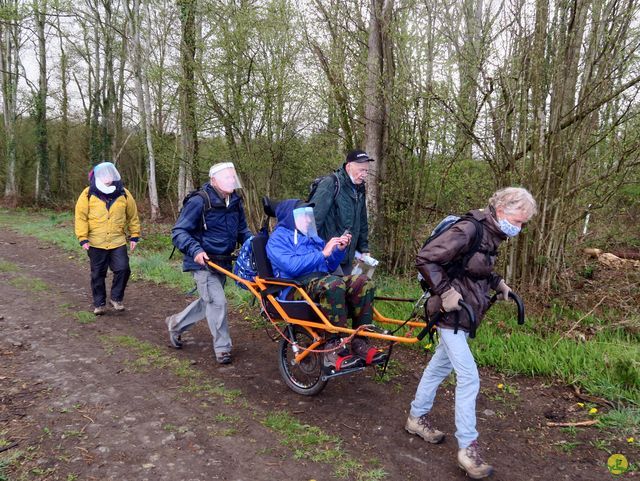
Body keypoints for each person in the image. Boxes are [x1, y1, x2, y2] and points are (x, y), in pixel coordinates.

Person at [405, 187, 537, 479]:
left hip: (466, 312)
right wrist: (444, 291)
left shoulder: (491, 234)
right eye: (518, 220)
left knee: (439, 367)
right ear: (501, 209)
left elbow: (472, 268)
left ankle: (416, 417)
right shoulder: (468, 229)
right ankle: (468, 448)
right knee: (469, 377)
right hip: (450, 311)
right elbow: (426, 258)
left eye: (523, 223)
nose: (519, 227)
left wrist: (499, 284)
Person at [266, 199, 385, 369]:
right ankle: (333, 349)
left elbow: (328, 265)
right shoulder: (277, 240)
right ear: (290, 218)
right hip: (295, 287)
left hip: (321, 281)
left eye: (309, 215)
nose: (308, 219)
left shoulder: (311, 237)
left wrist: (338, 250)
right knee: (333, 284)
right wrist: (323, 253)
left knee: (363, 282)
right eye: (303, 216)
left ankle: (360, 342)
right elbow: (292, 267)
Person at [166, 162, 252, 365]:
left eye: (233, 177)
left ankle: (175, 324)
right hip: (203, 262)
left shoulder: (235, 202)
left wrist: (254, 244)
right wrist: (196, 251)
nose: (232, 180)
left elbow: (242, 231)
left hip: (223, 262)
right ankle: (223, 348)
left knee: (209, 302)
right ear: (214, 180)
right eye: (227, 177)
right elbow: (178, 232)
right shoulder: (199, 201)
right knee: (218, 302)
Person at [74, 162, 141, 315]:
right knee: (98, 273)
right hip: (95, 242)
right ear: (97, 176)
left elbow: (132, 216)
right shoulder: (88, 193)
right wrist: (83, 238)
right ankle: (99, 304)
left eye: (110, 174)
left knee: (123, 269)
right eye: (103, 174)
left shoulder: (124, 193)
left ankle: (116, 298)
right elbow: (81, 217)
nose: (107, 177)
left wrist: (134, 235)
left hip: (117, 241)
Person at [309, 150, 373, 275]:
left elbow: (362, 221)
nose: (364, 174)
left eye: (366, 171)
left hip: (347, 255)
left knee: (355, 287)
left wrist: (363, 248)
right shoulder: (331, 183)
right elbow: (313, 221)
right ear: (349, 166)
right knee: (337, 290)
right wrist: (316, 252)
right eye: (361, 170)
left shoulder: (360, 188)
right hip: (329, 254)